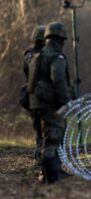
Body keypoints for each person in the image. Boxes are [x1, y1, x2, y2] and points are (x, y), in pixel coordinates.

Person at [28, 21, 74, 183]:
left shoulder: (36, 57)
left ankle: (45, 174)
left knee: (43, 138)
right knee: (52, 140)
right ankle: (52, 178)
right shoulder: (57, 57)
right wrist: (66, 102)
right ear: (60, 39)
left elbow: (31, 83)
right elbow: (59, 80)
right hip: (50, 105)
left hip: (36, 104)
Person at [22, 25, 46, 163]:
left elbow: (26, 72)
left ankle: (40, 156)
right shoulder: (45, 55)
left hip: (32, 97)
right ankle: (43, 158)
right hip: (42, 96)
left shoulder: (28, 55)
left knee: (38, 128)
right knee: (45, 129)